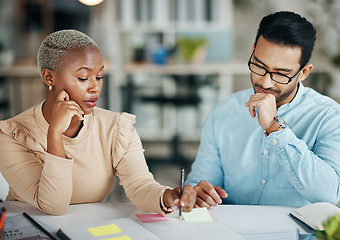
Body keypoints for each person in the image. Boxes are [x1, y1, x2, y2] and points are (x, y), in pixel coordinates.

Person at [0, 29, 196, 215]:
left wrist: (169, 196)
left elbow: (139, 186)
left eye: (99, 76)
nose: (95, 87)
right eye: (84, 78)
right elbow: (53, 205)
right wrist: (55, 134)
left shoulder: (117, 128)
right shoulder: (11, 135)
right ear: (49, 77)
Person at [185, 11, 340, 208]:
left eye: (281, 74)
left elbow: (329, 194)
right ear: (253, 51)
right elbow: (200, 183)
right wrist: (199, 193)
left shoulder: (329, 117)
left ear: (303, 73)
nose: (265, 82)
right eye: (259, 66)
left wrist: (275, 129)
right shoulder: (222, 112)